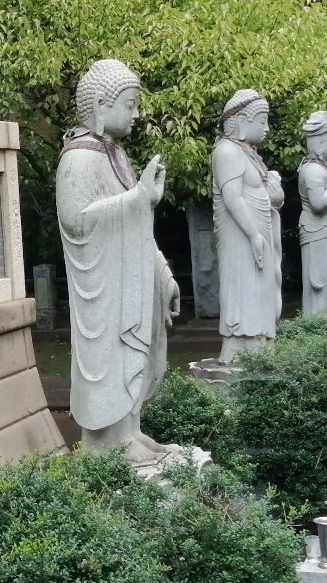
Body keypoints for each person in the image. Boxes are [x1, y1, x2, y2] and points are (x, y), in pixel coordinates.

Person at [56, 59, 181, 464]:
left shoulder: (117, 155)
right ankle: (107, 442)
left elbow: (136, 222)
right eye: (129, 105)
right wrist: (138, 198)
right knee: (110, 356)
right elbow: (76, 220)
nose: (136, 114)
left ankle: (129, 432)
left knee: (132, 356)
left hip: (129, 279)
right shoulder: (78, 159)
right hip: (102, 286)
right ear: (100, 105)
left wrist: (162, 273)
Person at [212, 89, 284, 362]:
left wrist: (273, 191)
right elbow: (232, 197)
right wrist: (253, 235)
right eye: (262, 121)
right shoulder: (227, 151)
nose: (266, 128)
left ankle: (260, 345)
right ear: (242, 121)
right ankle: (242, 348)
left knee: (260, 288)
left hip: (257, 232)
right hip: (241, 235)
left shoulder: (249, 154)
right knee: (244, 287)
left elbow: (260, 193)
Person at [297, 111, 327, 316]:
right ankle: (317, 320)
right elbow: (318, 204)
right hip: (317, 231)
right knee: (319, 281)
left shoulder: (323, 168)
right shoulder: (312, 170)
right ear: (319, 144)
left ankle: (325, 318)